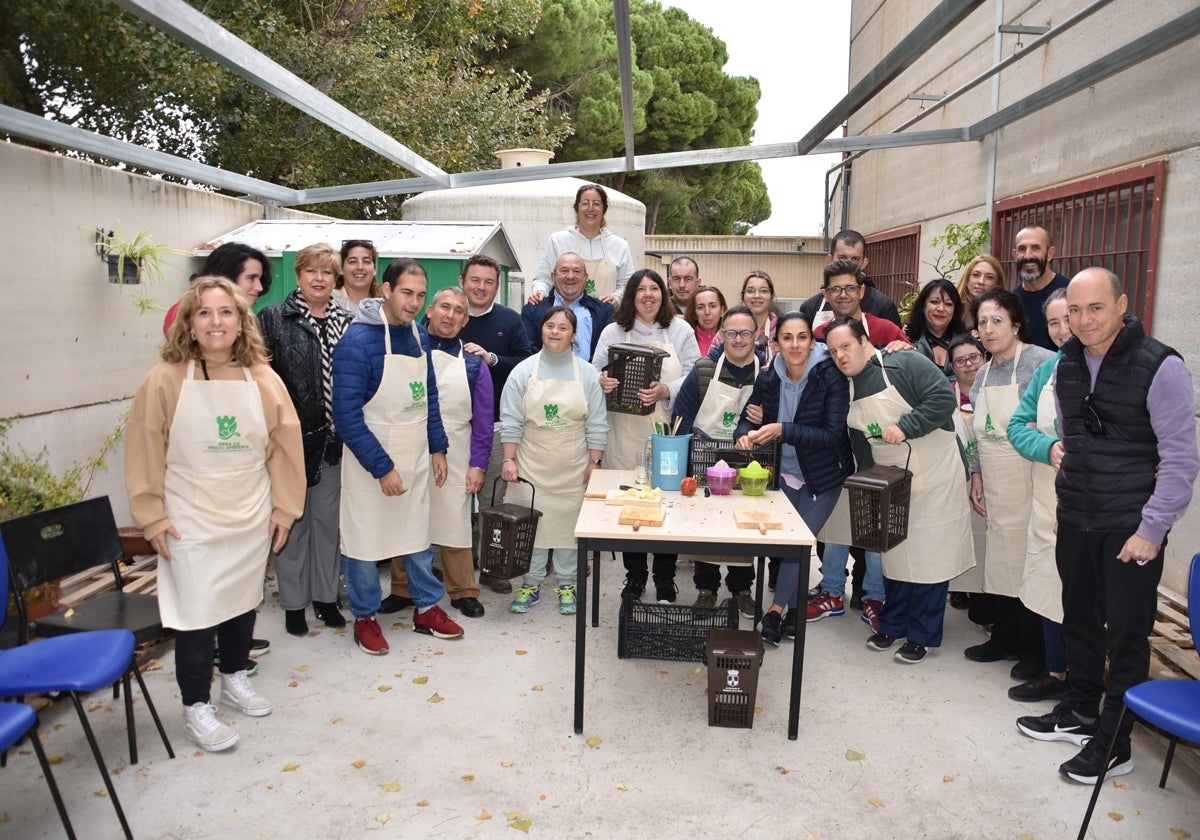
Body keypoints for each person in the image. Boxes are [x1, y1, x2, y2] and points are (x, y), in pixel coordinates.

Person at [1017, 268, 1198, 784]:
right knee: (1078, 619)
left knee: (1126, 635)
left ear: (1122, 305)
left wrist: (1152, 529)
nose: (1083, 320)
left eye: (1095, 308)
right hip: (1077, 517)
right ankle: (1080, 712)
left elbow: (1181, 461)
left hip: (1131, 525)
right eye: (1074, 310)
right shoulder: (1066, 362)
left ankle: (1116, 742)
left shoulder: (1160, 366)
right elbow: (1073, 440)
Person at [126, 277, 304, 752]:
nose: (215, 321)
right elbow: (144, 447)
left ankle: (234, 677)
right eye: (204, 313)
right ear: (189, 322)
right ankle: (195, 706)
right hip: (190, 516)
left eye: (225, 312)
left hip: (248, 512)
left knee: (241, 602)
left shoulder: (263, 379)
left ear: (241, 321)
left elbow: (285, 449)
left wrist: (284, 509)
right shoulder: (164, 379)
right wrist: (152, 517)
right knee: (196, 614)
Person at [824, 317, 975, 664]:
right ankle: (892, 624)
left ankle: (922, 635)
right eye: (833, 352)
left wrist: (906, 426)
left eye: (846, 346)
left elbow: (941, 400)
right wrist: (867, 484)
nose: (840, 356)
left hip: (935, 475)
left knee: (929, 561)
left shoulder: (904, 362)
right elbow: (860, 442)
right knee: (894, 558)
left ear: (865, 341)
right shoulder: (847, 386)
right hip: (891, 482)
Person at [333, 258, 461, 655]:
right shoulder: (356, 342)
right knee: (364, 542)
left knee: (417, 538)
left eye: (421, 295)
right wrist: (382, 467)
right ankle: (366, 616)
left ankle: (425, 607)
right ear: (385, 290)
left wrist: (438, 447)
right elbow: (346, 418)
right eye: (407, 293)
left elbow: (430, 399)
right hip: (372, 461)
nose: (414, 303)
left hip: (416, 455)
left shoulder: (419, 337)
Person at [734, 312, 854, 645]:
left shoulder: (830, 376)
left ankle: (773, 612)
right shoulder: (768, 377)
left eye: (802, 337)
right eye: (787, 338)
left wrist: (782, 429)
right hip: (783, 475)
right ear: (776, 343)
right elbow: (747, 420)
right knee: (791, 545)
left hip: (823, 476)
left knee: (796, 544)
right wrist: (744, 436)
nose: (795, 345)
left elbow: (831, 434)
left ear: (812, 341)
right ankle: (794, 611)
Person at [257, 243, 351, 635]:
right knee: (292, 525)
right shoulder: (274, 319)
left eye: (327, 273)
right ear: (298, 275)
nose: (318, 279)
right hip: (290, 442)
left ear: (335, 279)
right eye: (311, 271)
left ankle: (326, 599)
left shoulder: (346, 321)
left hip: (333, 441)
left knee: (328, 524)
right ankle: (294, 603)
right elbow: (262, 381)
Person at [961, 288, 1054, 681]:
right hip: (996, 481)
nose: (988, 328)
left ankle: (1034, 651)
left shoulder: (1042, 362)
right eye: (982, 322)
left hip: (1031, 478)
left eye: (997, 320)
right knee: (1000, 558)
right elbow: (981, 430)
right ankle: (1004, 637)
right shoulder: (983, 372)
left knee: (1032, 564)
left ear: (1016, 324)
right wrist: (977, 473)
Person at [593, 268, 700, 602]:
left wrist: (666, 389)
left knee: (667, 505)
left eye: (654, 289)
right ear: (632, 296)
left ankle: (665, 579)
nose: (648, 295)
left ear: (663, 294)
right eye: (641, 289)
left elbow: (697, 373)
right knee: (631, 508)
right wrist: (603, 381)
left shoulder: (679, 329)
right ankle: (635, 578)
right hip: (623, 435)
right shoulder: (613, 331)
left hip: (666, 432)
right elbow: (595, 370)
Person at [385, 287, 493, 618]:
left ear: (465, 320)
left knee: (454, 521)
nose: (450, 315)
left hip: (457, 453)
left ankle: (462, 590)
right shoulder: (403, 354)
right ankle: (401, 588)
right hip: (408, 449)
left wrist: (478, 464)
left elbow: (484, 422)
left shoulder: (475, 364)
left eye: (458, 311)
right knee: (405, 519)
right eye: (444, 307)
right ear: (428, 311)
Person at [501, 307, 608, 614]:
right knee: (529, 531)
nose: (555, 332)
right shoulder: (522, 372)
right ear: (542, 329)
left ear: (574, 336)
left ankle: (568, 585)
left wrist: (595, 463)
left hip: (573, 467)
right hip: (529, 465)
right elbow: (510, 419)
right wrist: (509, 459)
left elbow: (597, 423)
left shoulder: (586, 374)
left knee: (566, 533)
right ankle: (530, 585)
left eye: (563, 328)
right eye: (550, 326)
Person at [1003, 289, 1072, 702]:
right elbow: (1017, 427)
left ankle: (1081, 685)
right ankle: (1055, 671)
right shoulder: (1050, 369)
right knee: (1048, 587)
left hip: (1089, 504)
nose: (1065, 330)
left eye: (1073, 317)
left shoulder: (1116, 368)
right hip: (1048, 496)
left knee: (1082, 600)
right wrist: (1046, 448)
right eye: (1055, 323)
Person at [673, 305, 763, 613]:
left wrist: (764, 418)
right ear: (721, 335)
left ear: (757, 334)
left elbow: (779, 419)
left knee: (744, 529)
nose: (739, 340)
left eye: (746, 333)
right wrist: (683, 469)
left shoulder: (767, 375)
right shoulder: (703, 370)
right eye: (732, 333)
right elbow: (681, 420)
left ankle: (741, 589)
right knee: (705, 527)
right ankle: (706, 588)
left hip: (746, 462)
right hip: (703, 459)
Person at [454, 254, 533, 595]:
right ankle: (449, 565)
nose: (481, 287)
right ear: (463, 282)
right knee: (451, 496)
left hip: (499, 425)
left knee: (493, 501)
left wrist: (491, 358)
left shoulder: (510, 321)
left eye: (488, 281)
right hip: (454, 427)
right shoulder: (449, 315)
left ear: (497, 286)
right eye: (475, 280)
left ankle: (490, 566)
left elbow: (527, 363)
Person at [529, 183, 635, 303]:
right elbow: (543, 278)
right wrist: (539, 291)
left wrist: (617, 298)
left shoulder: (620, 246)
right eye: (585, 203)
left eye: (596, 204)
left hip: (607, 317)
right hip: (565, 317)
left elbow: (628, 285)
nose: (591, 208)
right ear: (576, 208)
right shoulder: (558, 241)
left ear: (604, 209)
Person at [945, 333, 989, 610]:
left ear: (983, 357)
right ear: (952, 365)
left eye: (974, 357)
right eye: (961, 360)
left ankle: (983, 597)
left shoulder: (993, 388)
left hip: (991, 474)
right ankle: (958, 590)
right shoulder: (945, 392)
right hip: (954, 476)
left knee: (984, 538)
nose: (969, 365)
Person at [799, 229, 902, 330]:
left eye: (855, 259)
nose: (848, 264)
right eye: (842, 258)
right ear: (830, 260)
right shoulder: (810, 307)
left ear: (864, 263)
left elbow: (899, 345)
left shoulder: (884, 307)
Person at [522, 252, 615, 363]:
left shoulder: (604, 311)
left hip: (591, 378)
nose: (570, 276)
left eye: (576, 271)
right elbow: (527, 351)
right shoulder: (532, 310)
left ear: (586, 278)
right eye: (564, 270)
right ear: (553, 277)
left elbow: (609, 353)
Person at [163, 242, 272, 335]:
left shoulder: (241, 313)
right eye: (251, 278)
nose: (260, 287)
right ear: (227, 277)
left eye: (260, 279)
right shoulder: (184, 313)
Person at [814, 259, 909, 347]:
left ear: (861, 291)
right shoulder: (818, 336)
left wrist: (906, 352)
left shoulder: (887, 331)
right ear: (826, 294)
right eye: (835, 289)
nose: (843, 295)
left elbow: (916, 363)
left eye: (850, 288)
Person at [1011, 225, 1071, 350]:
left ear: (1050, 254)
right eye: (1022, 249)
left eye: (1035, 248)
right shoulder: (1011, 302)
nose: (1028, 256)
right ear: (1015, 255)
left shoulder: (1072, 291)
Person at [900, 278, 967, 370]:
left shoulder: (966, 343)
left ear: (955, 310)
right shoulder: (906, 340)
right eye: (934, 302)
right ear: (923, 306)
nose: (941, 309)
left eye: (948, 304)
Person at [954, 255, 1005, 332]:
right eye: (976, 275)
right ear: (967, 279)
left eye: (989, 277)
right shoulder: (952, 307)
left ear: (998, 284)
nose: (981, 281)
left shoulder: (1005, 312)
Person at [740, 270, 782, 360]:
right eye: (750, 291)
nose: (757, 295)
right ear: (743, 296)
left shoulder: (782, 330)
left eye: (763, 291)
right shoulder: (729, 330)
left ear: (772, 297)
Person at [331, 239, 380, 312]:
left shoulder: (383, 306)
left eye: (366, 261)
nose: (360, 267)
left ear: (375, 269)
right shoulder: (329, 301)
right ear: (341, 268)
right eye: (353, 262)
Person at [684, 285, 727, 356]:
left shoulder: (731, 338)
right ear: (694, 313)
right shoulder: (685, 337)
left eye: (712, 306)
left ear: (722, 311)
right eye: (700, 307)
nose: (707, 312)